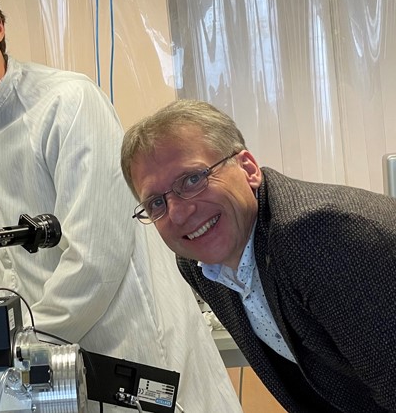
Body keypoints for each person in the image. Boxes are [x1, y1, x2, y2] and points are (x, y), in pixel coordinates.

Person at [0, 0, 241, 412]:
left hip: (122, 345)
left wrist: (24, 342)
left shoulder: (68, 102)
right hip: (50, 355)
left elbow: (97, 254)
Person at [120, 99, 396, 412]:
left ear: (248, 169)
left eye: (193, 179)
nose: (180, 214)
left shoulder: (315, 233)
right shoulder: (200, 265)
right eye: (156, 202)